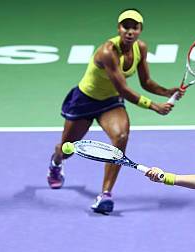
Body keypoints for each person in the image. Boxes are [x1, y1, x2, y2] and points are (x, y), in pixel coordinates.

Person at [48, 8, 184, 214]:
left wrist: (167, 92)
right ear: (119, 29)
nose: (130, 31)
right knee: (67, 149)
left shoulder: (141, 48)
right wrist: (154, 106)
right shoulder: (107, 52)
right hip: (85, 100)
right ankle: (56, 163)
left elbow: (145, 82)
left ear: (140, 30)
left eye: (134, 27)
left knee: (121, 137)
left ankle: (105, 194)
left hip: (110, 103)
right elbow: (123, 89)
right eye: (125, 26)